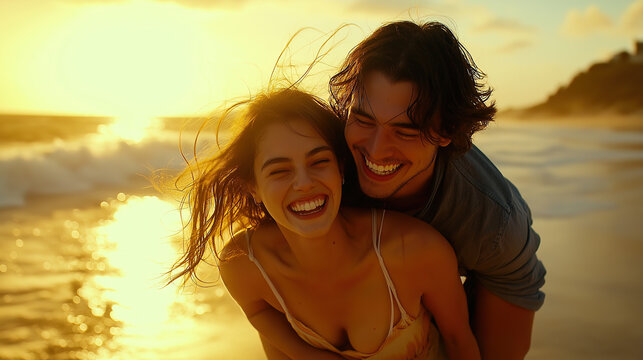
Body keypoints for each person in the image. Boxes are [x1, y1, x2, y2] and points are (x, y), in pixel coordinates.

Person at [169, 88, 480, 359]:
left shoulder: (414, 249)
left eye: (319, 162)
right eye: (279, 171)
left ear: (341, 169)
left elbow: (459, 341)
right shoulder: (245, 265)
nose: (304, 183)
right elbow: (257, 311)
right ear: (253, 187)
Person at [328, 20, 546, 359]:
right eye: (364, 120)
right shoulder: (322, 162)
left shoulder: (492, 224)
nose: (375, 149)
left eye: (404, 131)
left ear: (446, 131)